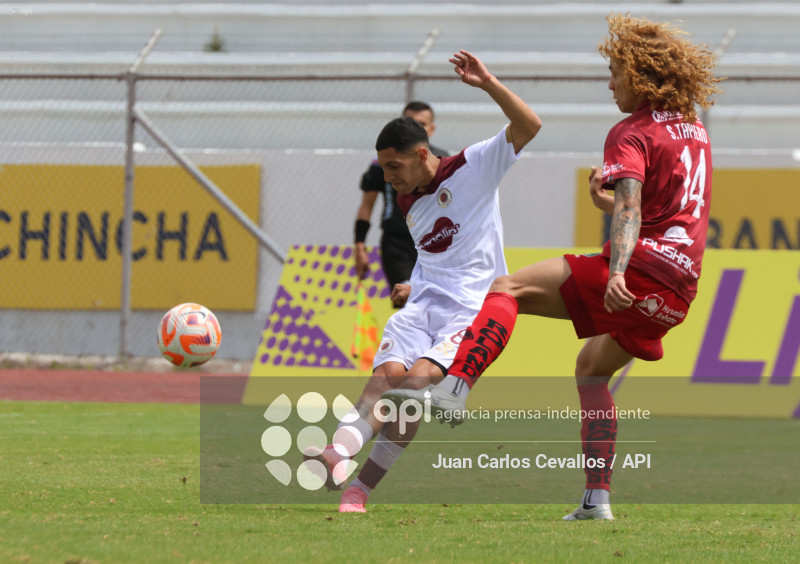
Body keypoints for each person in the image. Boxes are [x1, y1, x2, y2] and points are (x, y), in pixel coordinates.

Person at [384, 13, 723, 521]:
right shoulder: (695, 128)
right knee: (591, 369)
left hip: (637, 272)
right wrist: (606, 207)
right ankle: (596, 500)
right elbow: (666, 212)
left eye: (615, 73)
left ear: (641, 73)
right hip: (678, 293)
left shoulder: (631, 131)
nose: (611, 84)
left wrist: (616, 271)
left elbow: (631, 206)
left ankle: (457, 386)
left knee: (509, 287)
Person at [305, 49, 542, 513]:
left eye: (393, 167)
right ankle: (338, 455)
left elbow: (530, 126)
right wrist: (416, 285)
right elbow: (439, 257)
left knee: (414, 385)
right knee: (385, 379)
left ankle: (361, 488)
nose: (388, 178)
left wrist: (489, 82)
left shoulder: (474, 167)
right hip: (424, 303)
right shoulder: (411, 202)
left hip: (469, 310)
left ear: (420, 153)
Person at [354, 101, 449, 308]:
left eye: (421, 124)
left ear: (431, 129)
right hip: (397, 243)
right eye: (409, 122)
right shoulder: (382, 163)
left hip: (434, 242)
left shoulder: (443, 162)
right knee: (408, 302)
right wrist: (360, 246)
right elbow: (366, 204)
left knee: (437, 305)